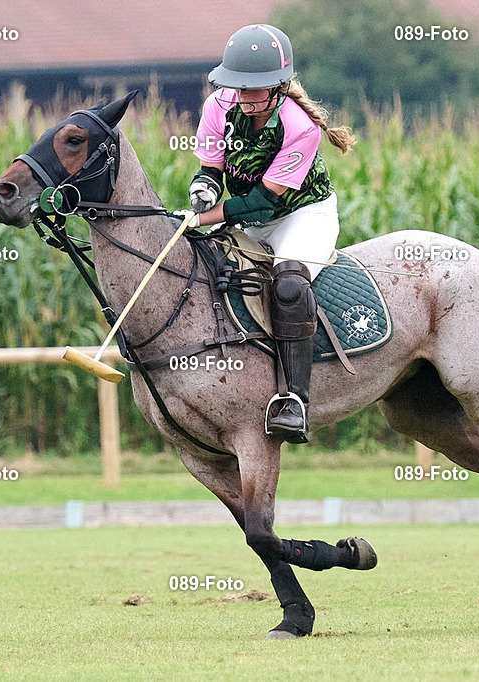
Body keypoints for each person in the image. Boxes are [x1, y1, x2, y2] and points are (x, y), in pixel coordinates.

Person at [189, 23, 355, 444]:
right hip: (248, 217)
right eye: (236, 88)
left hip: (302, 216)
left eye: (253, 90)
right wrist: (204, 185)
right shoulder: (218, 106)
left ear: (279, 87)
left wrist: (205, 219)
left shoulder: (300, 128)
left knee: (289, 286)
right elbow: (211, 163)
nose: (242, 98)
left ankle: (295, 400)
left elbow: (264, 200)